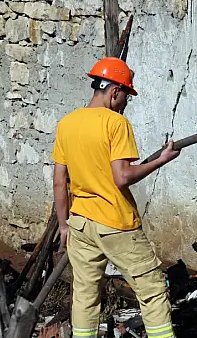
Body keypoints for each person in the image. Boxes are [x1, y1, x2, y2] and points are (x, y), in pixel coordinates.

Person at [51, 56, 181, 338]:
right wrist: (162, 159)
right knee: (152, 289)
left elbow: (60, 182)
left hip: (80, 223)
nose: (124, 105)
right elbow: (122, 177)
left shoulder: (67, 123)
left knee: (85, 294)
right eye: (125, 98)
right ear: (115, 92)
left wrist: (64, 226)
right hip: (115, 222)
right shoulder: (115, 124)